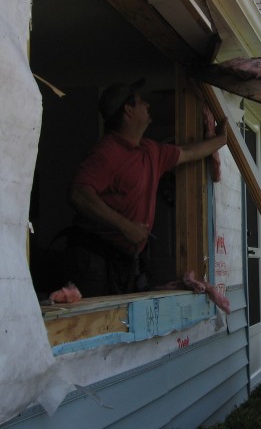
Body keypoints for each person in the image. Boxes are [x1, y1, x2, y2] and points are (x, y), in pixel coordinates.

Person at [66, 78, 228, 300]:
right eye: (142, 101)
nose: (148, 105)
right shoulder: (107, 153)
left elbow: (189, 152)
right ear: (128, 110)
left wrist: (222, 139)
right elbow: (79, 193)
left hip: (124, 258)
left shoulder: (150, 151)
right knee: (91, 315)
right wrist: (125, 226)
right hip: (94, 256)